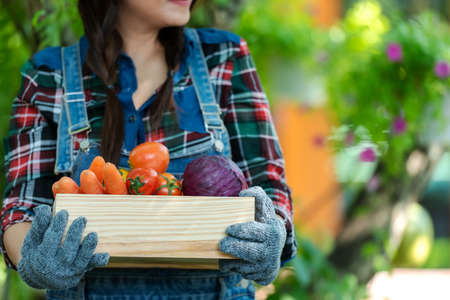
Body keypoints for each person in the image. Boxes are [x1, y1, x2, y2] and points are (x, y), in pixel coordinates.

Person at [1, 0, 297, 299]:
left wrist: (273, 234)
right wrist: (35, 261)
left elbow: (270, 188)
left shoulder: (224, 57)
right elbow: (20, 210)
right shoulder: (48, 76)